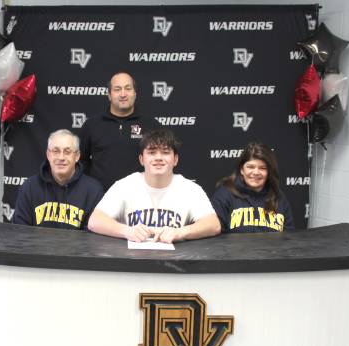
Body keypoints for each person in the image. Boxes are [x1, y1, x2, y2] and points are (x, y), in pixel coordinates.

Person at [88, 129, 221, 243]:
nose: (158, 157)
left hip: (175, 265)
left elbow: (213, 224)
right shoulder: (125, 186)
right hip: (132, 264)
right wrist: (126, 231)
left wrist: (180, 232)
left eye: (165, 152)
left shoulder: (190, 189)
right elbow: (95, 221)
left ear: (175, 159)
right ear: (141, 159)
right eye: (151, 152)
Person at [79, 71, 160, 190]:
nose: (123, 94)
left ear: (135, 93)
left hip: (140, 198)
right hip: (101, 198)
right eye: (117, 89)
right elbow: (81, 161)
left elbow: (160, 161)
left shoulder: (151, 125)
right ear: (109, 95)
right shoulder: (92, 125)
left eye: (128, 88)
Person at [12, 129, 104, 229]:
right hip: (36, 245)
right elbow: (20, 232)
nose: (61, 157)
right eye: (56, 151)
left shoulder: (93, 191)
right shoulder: (29, 187)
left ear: (77, 156)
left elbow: (92, 237)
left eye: (67, 152)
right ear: (48, 155)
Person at [211, 142, 294, 233]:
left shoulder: (278, 197)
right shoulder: (224, 195)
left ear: (269, 172)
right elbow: (217, 237)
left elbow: (288, 238)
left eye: (262, 168)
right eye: (250, 167)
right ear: (241, 169)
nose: (256, 172)